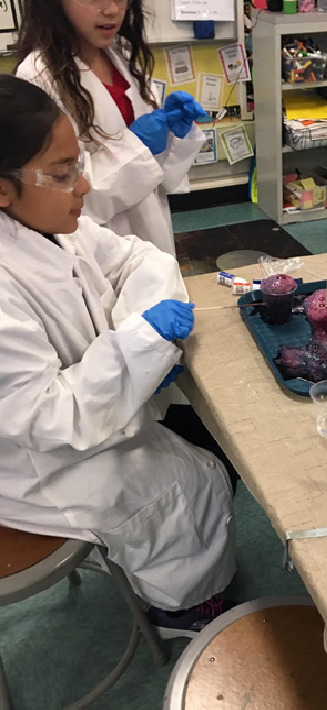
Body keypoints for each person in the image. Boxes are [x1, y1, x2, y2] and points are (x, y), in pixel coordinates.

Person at [0, 75, 235, 638]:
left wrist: (138, 334)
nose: (83, 186)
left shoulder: (53, 225)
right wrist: (137, 347)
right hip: (38, 462)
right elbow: (42, 417)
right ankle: (180, 612)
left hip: (90, 416)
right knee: (184, 486)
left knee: (203, 453)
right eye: (61, 175)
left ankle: (180, 581)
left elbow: (137, 259)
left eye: (78, 165)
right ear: (2, 190)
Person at [15, 0, 206, 255]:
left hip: (151, 229)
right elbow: (61, 188)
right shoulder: (39, 75)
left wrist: (174, 135)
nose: (113, 10)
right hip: (100, 244)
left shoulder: (122, 57)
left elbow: (158, 177)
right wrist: (136, 148)